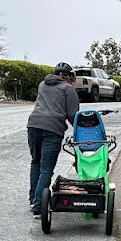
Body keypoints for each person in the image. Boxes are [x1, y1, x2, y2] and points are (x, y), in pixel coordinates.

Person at [27, 62, 80, 215]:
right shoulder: (68, 89)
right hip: (52, 129)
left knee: (36, 162)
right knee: (46, 169)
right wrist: (80, 132)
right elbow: (73, 115)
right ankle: (39, 206)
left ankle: (33, 200)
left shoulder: (42, 84)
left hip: (33, 125)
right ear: (69, 77)